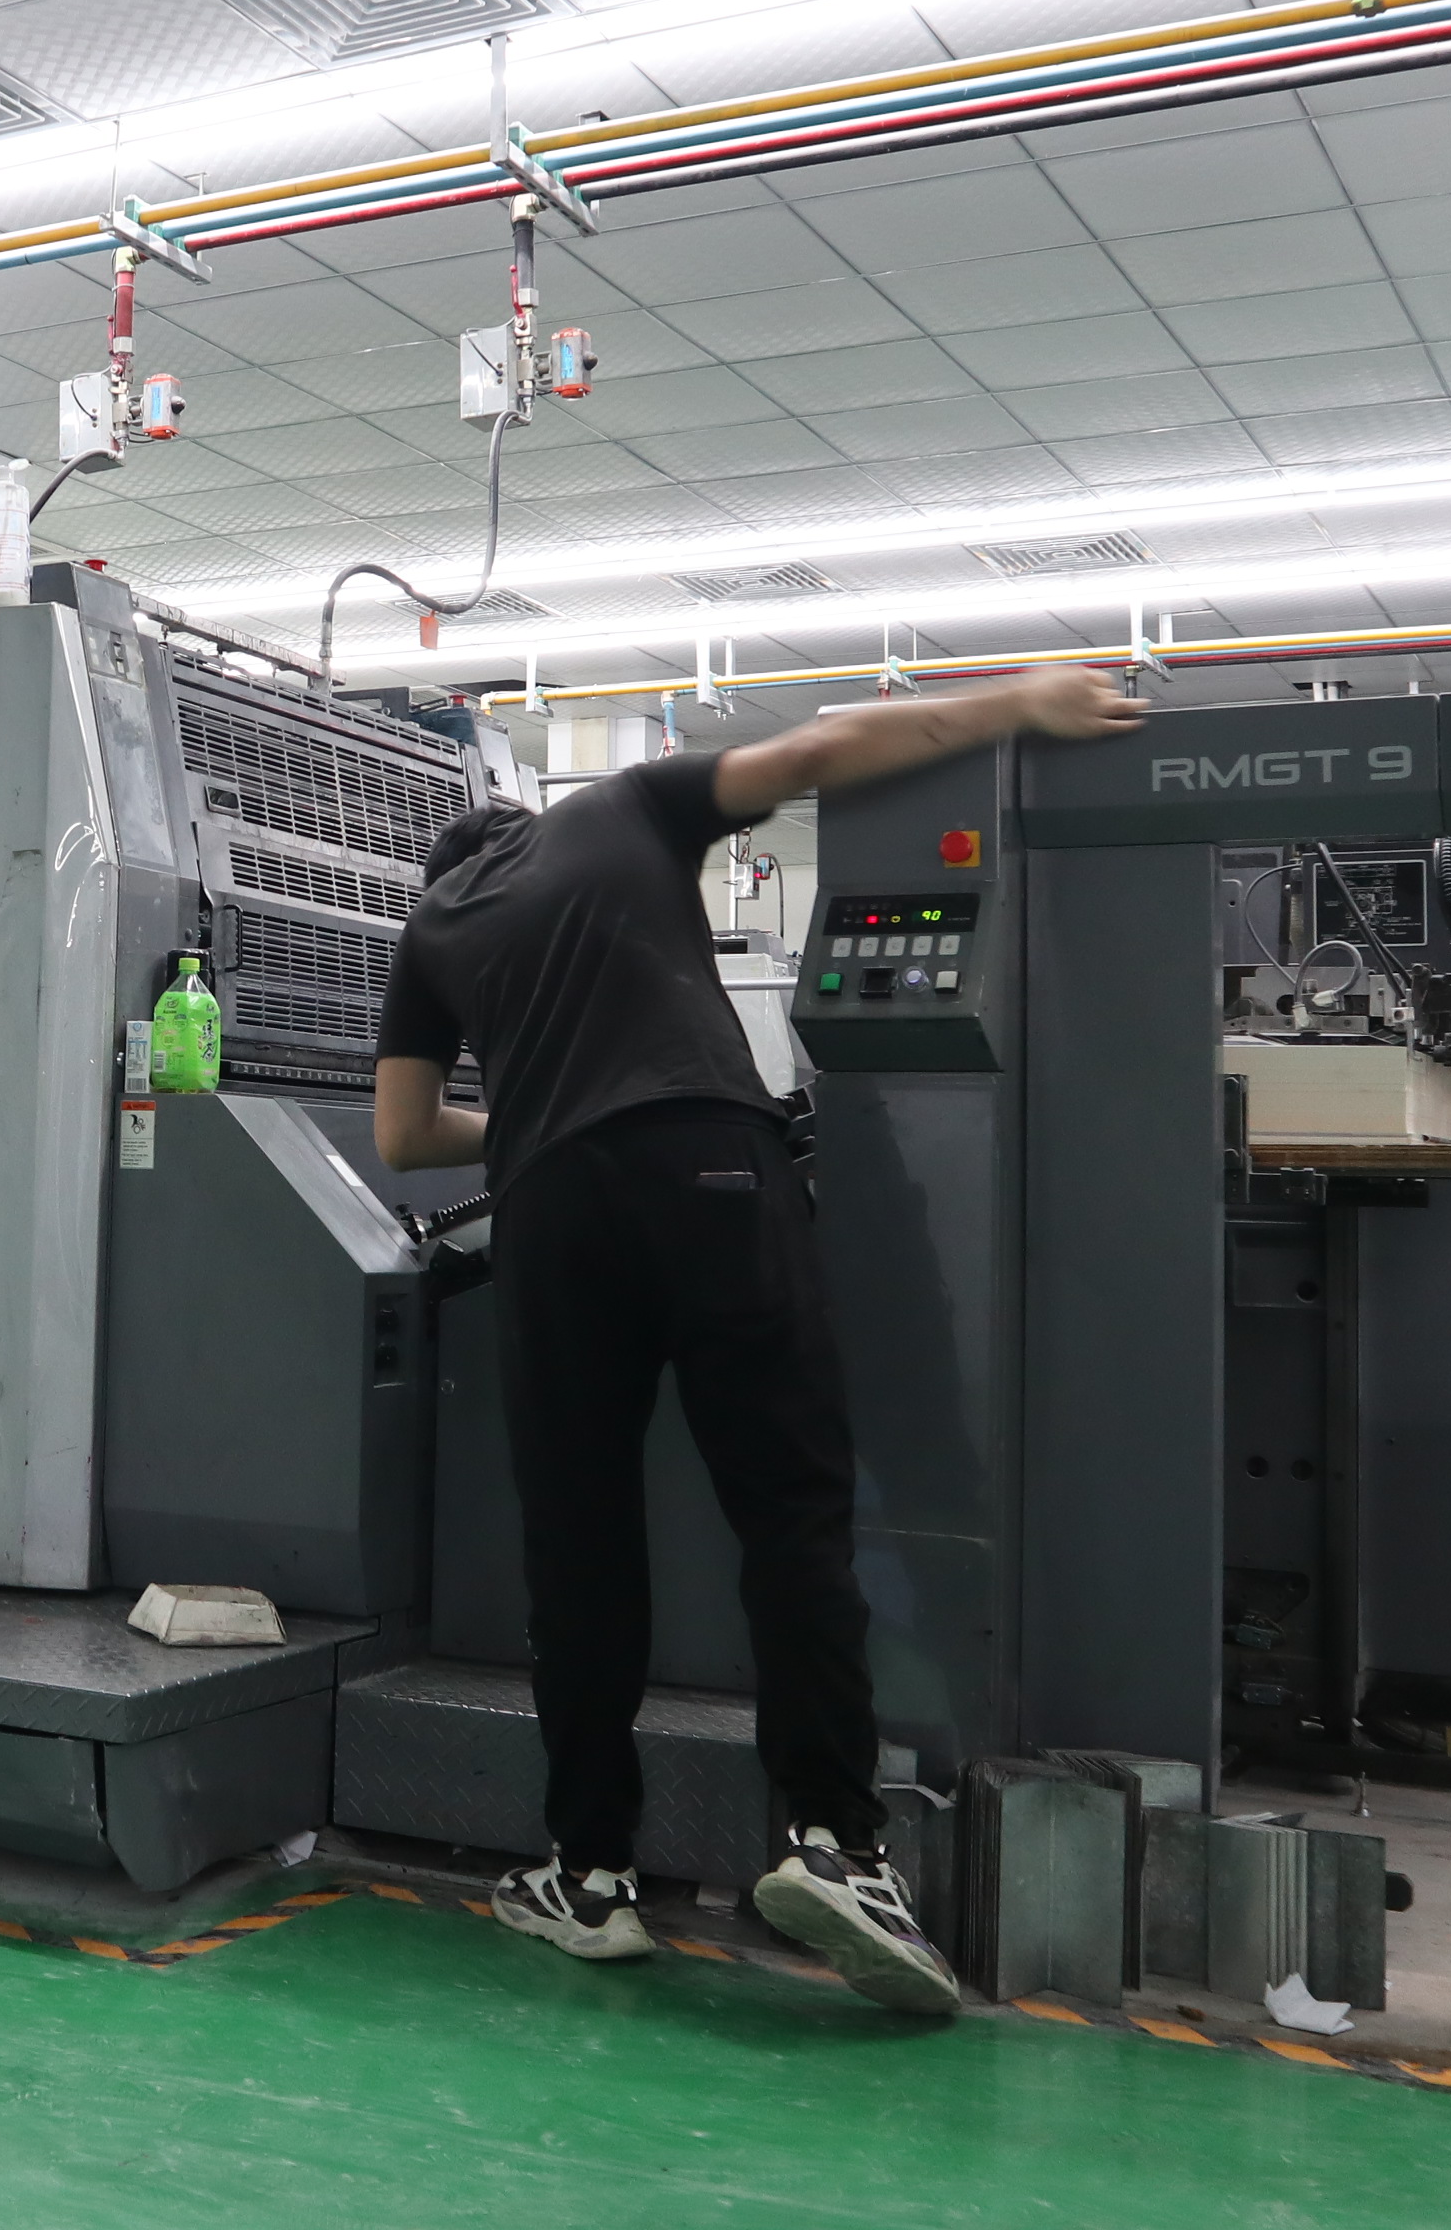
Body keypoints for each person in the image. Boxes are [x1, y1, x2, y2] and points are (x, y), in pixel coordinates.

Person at [369, 664, 1143, 2014]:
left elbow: (403, 1136)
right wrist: (1018, 703)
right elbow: (824, 749)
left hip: (554, 1214)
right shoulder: (622, 808)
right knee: (790, 1516)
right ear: (525, 823)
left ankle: (590, 1875)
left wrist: (548, 1127)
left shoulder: (431, 927)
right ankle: (835, 1845)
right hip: (716, 1171)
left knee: (580, 1547)